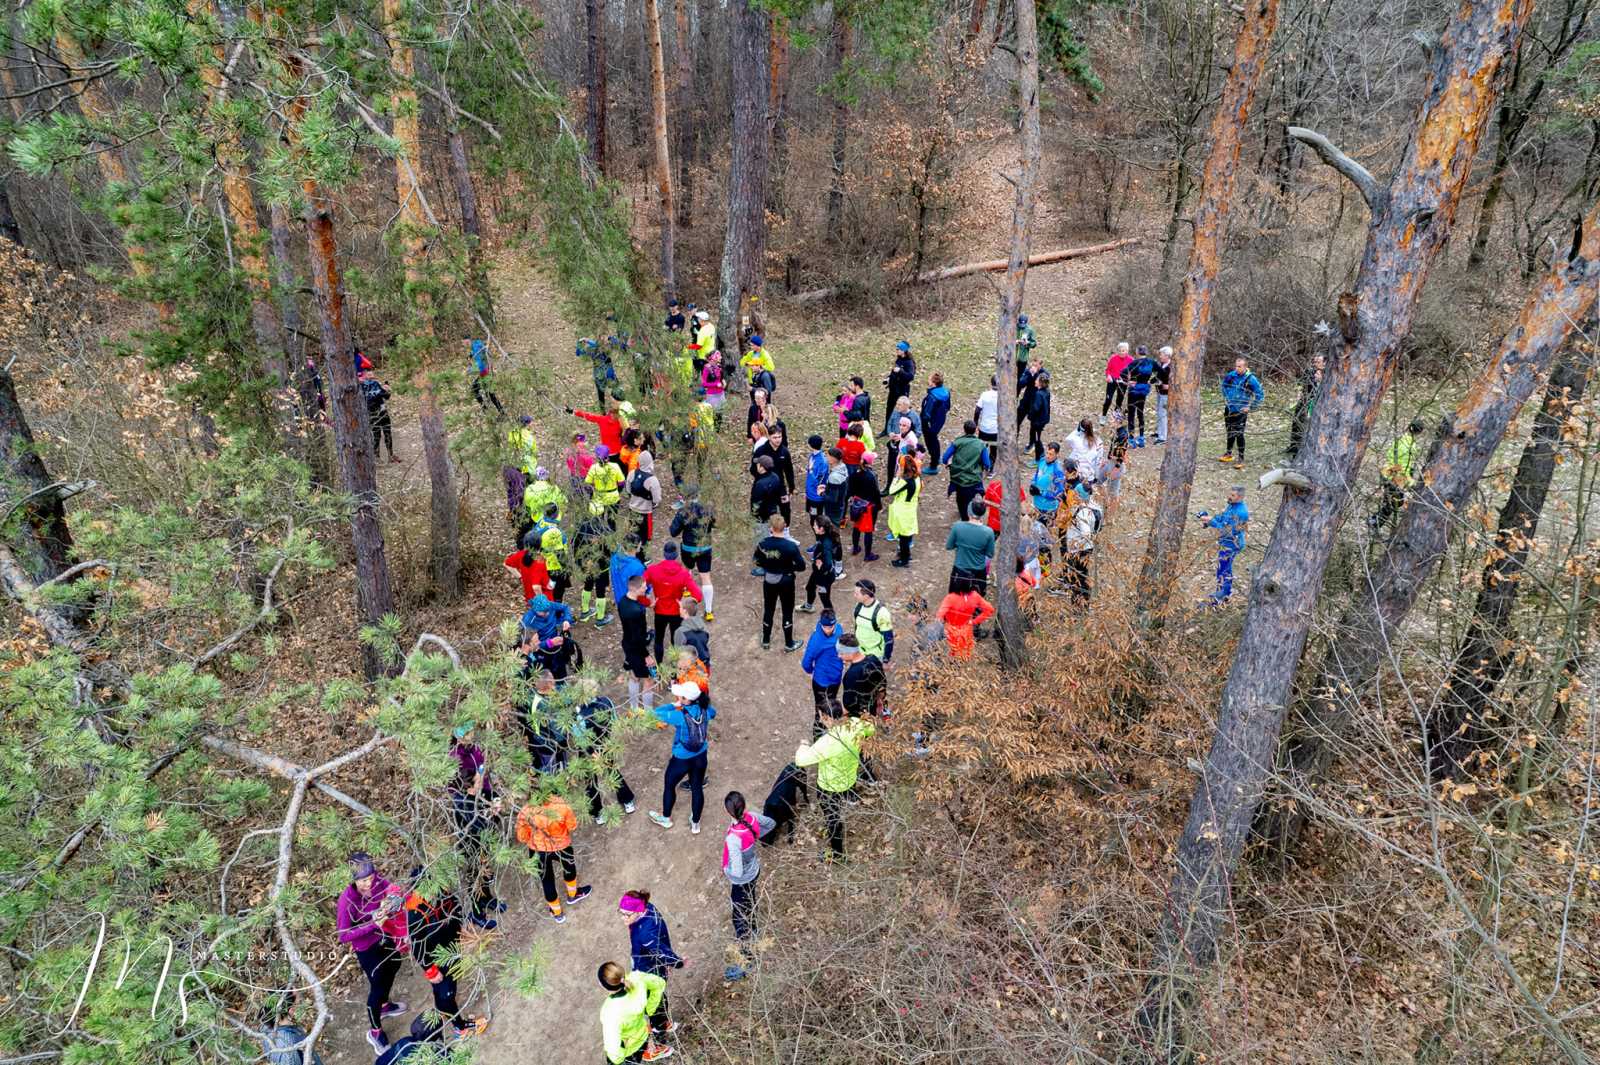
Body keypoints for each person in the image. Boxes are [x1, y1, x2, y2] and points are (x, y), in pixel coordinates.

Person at [337, 853, 409, 1052]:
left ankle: (385, 1005)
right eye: (362, 881)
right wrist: (372, 924)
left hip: (383, 936)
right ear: (354, 880)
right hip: (366, 947)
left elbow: (391, 888)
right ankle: (375, 1031)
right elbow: (343, 935)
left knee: (395, 963)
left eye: (370, 878)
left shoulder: (377, 882)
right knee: (377, 986)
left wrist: (393, 899)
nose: (368, 884)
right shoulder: (347, 900)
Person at [404, 879, 490, 1038]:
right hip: (438, 959)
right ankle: (460, 1027)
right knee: (447, 993)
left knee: (445, 991)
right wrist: (430, 970)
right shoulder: (416, 912)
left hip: (452, 947)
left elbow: (456, 908)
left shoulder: (442, 892)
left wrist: (461, 930)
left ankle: (443, 1010)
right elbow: (417, 947)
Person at [794, 708, 874, 861]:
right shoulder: (855, 724)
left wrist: (804, 745)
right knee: (836, 812)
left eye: (820, 715)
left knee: (833, 817)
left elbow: (801, 760)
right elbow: (871, 728)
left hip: (829, 787)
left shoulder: (827, 741)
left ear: (825, 717)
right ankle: (832, 829)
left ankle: (837, 854)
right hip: (849, 779)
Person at [720, 791, 775, 981]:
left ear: (728, 812)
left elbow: (736, 872)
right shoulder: (751, 818)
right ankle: (755, 929)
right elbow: (771, 823)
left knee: (740, 920)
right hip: (754, 871)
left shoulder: (733, 838)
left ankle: (747, 962)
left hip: (741, 881)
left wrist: (726, 870)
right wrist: (754, 839)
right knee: (751, 902)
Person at [516, 790, 592, 922]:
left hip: (537, 850)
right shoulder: (561, 804)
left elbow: (522, 837)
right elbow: (572, 826)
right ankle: (573, 894)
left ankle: (557, 913)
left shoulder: (525, 812)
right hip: (561, 845)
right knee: (569, 869)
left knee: (547, 880)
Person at [649, 680, 715, 831]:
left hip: (681, 759)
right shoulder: (705, 710)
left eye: (681, 696)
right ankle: (695, 824)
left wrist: (674, 705)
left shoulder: (679, 716)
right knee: (697, 787)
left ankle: (666, 818)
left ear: (686, 699)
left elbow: (655, 713)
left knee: (669, 785)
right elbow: (713, 713)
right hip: (701, 755)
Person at [571, 680, 637, 823]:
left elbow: (580, 738)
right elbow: (614, 720)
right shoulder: (606, 701)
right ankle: (627, 800)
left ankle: (597, 812)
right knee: (612, 772)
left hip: (588, 751)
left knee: (590, 781)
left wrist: (592, 752)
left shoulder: (578, 713)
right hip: (606, 744)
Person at [619, 891, 683, 1037]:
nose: (623, 918)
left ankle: (658, 1027)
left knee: (655, 996)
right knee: (655, 996)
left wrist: (677, 963)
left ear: (638, 911)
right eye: (621, 913)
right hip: (648, 962)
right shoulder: (648, 908)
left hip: (647, 968)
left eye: (627, 914)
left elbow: (660, 950)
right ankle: (658, 1024)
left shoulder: (644, 933)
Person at [597, 961, 673, 1063]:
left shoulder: (610, 1011)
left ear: (603, 986)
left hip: (628, 1048)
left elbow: (613, 1051)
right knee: (641, 1051)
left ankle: (649, 1052)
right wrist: (650, 1009)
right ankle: (650, 1051)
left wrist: (619, 1059)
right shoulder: (637, 978)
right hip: (643, 1034)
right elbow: (659, 984)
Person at [753, 513, 806, 651]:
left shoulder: (763, 543)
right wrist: (789, 568)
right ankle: (789, 643)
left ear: (771, 528)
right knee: (787, 610)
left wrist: (767, 566)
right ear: (785, 527)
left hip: (769, 580)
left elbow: (757, 561)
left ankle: (766, 640)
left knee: (769, 609)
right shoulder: (790, 546)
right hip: (786, 580)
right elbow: (802, 566)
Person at [643, 542, 703, 662]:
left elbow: (638, 588)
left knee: (659, 639)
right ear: (676, 555)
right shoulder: (683, 574)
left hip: (659, 610)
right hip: (676, 612)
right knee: (675, 641)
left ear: (664, 554)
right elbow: (698, 596)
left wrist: (647, 602)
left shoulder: (652, 570)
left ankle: (660, 669)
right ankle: (674, 671)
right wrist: (685, 606)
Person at [668, 484, 716, 620]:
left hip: (688, 547)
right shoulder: (708, 508)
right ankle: (708, 611)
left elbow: (673, 532)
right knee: (706, 577)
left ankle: (687, 590)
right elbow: (715, 523)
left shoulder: (684, 511)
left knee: (687, 570)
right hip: (705, 547)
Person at [1199, 485, 1249, 604]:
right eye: (1229, 494)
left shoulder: (1241, 513)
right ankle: (1223, 593)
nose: (1229, 497)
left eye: (1232, 495)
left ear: (1240, 497)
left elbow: (1227, 531)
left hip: (1232, 544)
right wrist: (1210, 518)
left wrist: (1211, 522)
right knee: (1223, 568)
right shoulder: (1232, 506)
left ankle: (1220, 597)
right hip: (1226, 543)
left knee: (1224, 570)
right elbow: (1223, 519)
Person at [1372, 418, 1424, 531]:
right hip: (1395, 478)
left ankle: (1375, 523)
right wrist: (1411, 482)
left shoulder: (1399, 439)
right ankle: (1374, 522)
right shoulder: (1411, 446)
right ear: (1419, 432)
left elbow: (1389, 454)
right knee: (1396, 503)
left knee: (1389, 501)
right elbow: (1405, 467)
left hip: (1386, 473)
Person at [800, 609, 844, 731]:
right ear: (821, 624)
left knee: (832, 708)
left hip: (836, 678)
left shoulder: (839, 630)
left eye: (831, 626)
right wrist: (812, 671)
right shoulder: (816, 640)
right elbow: (806, 662)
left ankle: (830, 733)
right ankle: (818, 738)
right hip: (821, 682)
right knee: (820, 713)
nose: (829, 629)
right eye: (825, 627)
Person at [617, 574, 656, 710]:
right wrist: (646, 655)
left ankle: (634, 708)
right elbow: (637, 637)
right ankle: (649, 714)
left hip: (627, 644)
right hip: (636, 647)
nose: (646, 589)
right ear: (635, 589)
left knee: (634, 675)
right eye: (644, 587)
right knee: (648, 680)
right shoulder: (636, 611)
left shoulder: (623, 601)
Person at [1060, 483, 1102, 604]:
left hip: (1079, 550)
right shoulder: (1095, 505)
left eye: (1076, 494)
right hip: (1087, 548)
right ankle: (1083, 600)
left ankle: (1079, 603)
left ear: (1080, 495)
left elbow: (1086, 533)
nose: (1074, 495)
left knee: (1077, 577)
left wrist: (1076, 539)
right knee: (1083, 574)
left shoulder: (1082, 512)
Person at [941, 421, 991, 520]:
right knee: (972, 497)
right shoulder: (981, 444)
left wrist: (947, 464)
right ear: (976, 430)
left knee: (960, 498)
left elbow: (945, 457)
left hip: (958, 478)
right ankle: (971, 514)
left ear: (964, 430)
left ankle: (963, 516)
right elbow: (987, 463)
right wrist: (985, 469)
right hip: (974, 479)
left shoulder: (957, 442)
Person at [1219, 357, 1265, 464]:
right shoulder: (1231, 375)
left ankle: (1241, 458)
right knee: (1230, 431)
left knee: (1239, 433)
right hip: (1229, 409)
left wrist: (1250, 407)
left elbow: (1260, 395)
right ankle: (1229, 453)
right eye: (1236, 366)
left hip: (1241, 411)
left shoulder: (1251, 379)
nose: (1237, 368)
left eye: (1239, 366)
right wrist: (1226, 397)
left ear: (1245, 367)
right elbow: (1224, 386)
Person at [946, 501, 996, 596]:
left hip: (959, 570)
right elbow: (990, 554)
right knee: (977, 603)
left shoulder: (958, 526)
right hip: (978, 573)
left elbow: (949, 546)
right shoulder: (989, 532)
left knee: (955, 599)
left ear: (969, 512)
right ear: (982, 514)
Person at [573, 511, 614, 627]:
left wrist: (580, 563)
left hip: (585, 564)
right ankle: (600, 619)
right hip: (600, 566)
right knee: (600, 591)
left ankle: (585, 612)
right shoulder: (602, 530)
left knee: (588, 585)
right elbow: (609, 549)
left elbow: (574, 547)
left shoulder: (580, 528)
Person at [750, 425, 795, 525]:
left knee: (786, 508)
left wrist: (792, 486)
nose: (778, 440)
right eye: (775, 437)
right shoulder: (761, 451)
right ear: (769, 437)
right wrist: (761, 477)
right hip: (765, 485)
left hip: (780, 484)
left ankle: (785, 530)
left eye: (780, 437)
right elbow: (753, 469)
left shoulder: (784, 451)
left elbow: (789, 470)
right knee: (765, 509)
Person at [935, 586, 995, 660]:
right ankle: (963, 664)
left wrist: (941, 623)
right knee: (965, 653)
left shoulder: (951, 598)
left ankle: (954, 665)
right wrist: (974, 622)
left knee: (952, 653)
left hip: (952, 630)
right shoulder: (974, 596)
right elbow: (990, 609)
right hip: (967, 629)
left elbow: (939, 616)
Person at [848, 580, 894, 671]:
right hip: (859, 651)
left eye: (857, 593)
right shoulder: (859, 606)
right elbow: (857, 625)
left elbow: (889, 639)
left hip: (875, 654)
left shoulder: (882, 613)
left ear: (866, 596)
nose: (854, 595)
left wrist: (885, 661)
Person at [884, 454, 921, 568]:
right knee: (907, 533)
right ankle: (906, 554)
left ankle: (904, 560)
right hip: (911, 507)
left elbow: (891, 491)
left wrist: (896, 477)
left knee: (903, 536)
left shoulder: (905, 481)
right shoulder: (917, 477)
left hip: (902, 510)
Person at [801, 515, 842, 613]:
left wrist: (821, 566)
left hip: (824, 577)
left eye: (815, 525)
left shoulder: (825, 544)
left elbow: (827, 563)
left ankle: (831, 620)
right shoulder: (827, 535)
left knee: (824, 598)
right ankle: (808, 606)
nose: (813, 526)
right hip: (818, 573)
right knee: (810, 587)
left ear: (821, 528)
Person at [845, 457, 882, 562]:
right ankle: (868, 554)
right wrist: (878, 506)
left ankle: (855, 548)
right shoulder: (871, 476)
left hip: (857, 504)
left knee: (856, 527)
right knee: (868, 531)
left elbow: (850, 491)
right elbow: (876, 493)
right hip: (868, 507)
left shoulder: (854, 474)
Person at [1288, 353, 1324, 459]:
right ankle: (1293, 446)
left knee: (1306, 426)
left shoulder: (1327, 375)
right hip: (1304, 400)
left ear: (1324, 363)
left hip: (1314, 403)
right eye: (1315, 361)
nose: (1316, 364)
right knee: (1296, 422)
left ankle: (1300, 451)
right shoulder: (1309, 371)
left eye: (1318, 362)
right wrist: (1299, 393)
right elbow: (1300, 383)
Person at [358, 370, 399, 463]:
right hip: (372, 413)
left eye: (372, 373)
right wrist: (380, 393)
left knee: (387, 433)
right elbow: (369, 399)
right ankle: (376, 457)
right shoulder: (361, 386)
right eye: (368, 374)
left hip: (382, 411)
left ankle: (391, 455)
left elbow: (387, 396)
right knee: (376, 435)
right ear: (364, 375)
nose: (372, 375)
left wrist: (387, 389)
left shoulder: (376, 383)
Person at [1122, 345, 1158, 446]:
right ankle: (1141, 438)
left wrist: (1128, 382)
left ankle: (1132, 439)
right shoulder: (1151, 363)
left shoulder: (1134, 363)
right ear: (1146, 352)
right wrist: (1151, 381)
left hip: (1133, 391)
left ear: (1137, 352)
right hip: (1143, 390)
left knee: (1131, 414)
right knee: (1140, 413)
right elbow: (1161, 373)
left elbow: (1123, 373)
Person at [626, 451, 664, 544]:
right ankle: (644, 558)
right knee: (646, 539)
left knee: (633, 535)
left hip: (632, 510)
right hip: (645, 512)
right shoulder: (652, 480)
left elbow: (628, 490)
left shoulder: (632, 473)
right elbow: (657, 499)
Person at [1029, 443, 1068, 526]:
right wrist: (1032, 484)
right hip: (1036, 504)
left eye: (1051, 454)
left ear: (1057, 454)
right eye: (1047, 452)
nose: (1047, 456)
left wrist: (1041, 492)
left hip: (1048, 508)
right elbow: (1036, 475)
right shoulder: (1042, 460)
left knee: (1044, 534)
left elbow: (1059, 494)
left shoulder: (1058, 470)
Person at [919, 372, 950, 476]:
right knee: (934, 439)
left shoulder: (932, 397)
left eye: (929, 379)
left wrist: (924, 422)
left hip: (930, 424)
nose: (928, 380)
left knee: (931, 441)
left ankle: (933, 465)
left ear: (933, 383)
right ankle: (937, 457)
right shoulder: (946, 392)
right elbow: (948, 406)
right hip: (939, 420)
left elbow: (926, 414)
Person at [883, 340, 917, 433]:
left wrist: (900, 371)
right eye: (896, 349)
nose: (896, 351)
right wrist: (889, 378)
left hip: (902, 391)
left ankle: (906, 430)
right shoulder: (898, 359)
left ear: (904, 350)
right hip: (893, 389)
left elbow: (910, 377)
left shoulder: (909, 363)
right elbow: (894, 371)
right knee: (889, 409)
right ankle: (886, 429)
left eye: (898, 349)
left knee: (903, 411)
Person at [587, 445, 626, 522]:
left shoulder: (593, 468)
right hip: (613, 496)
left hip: (599, 496)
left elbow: (589, 482)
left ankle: (601, 530)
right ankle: (612, 530)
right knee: (612, 518)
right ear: (608, 455)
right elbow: (621, 482)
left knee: (599, 518)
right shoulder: (615, 466)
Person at [577, 337, 619, 407]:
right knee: (601, 395)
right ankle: (603, 413)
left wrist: (610, 338)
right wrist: (579, 343)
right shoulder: (592, 348)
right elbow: (578, 353)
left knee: (616, 391)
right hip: (600, 375)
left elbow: (617, 342)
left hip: (608, 374)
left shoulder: (607, 345)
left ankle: (617, 406)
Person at [673, 598, 711, 669]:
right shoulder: (703, 626)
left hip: (690, 671)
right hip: (705, 666)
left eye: (680, 607)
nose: (679, 609)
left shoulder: (680, 632)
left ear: (685, 611)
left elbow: (677, 654)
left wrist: (674, 676)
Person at [1023, 370, 1052, 461]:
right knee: (1037, 437)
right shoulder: (1046, 392)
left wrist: (1030, 415)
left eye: (1036, 380)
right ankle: (1042, 453)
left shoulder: (1038, 394)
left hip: (1037, 422)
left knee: (1036, 439)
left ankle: (1038, 459)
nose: (1035, 381)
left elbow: (1036, 408)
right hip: (1042, 420)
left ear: (1040, 383)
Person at [1064, 418, 1103, 484]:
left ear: (1080, 427)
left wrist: (1077, 429)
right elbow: (1098, 462)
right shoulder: (1099, 442)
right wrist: (1096, 475)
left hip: (1075, 474)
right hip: (1089, 476)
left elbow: (1068, 439)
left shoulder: (1076, 440)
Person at [1102, 342, 1133, 422]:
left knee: (1119, 400)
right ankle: (1103, 416)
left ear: (1127, 351)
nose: (1121, 352)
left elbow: (1133, 372)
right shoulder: (1113, 358)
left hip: (1123, 382)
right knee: (1108, 400)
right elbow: (1108, 370)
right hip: (1112, 381)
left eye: (1123, 351)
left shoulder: (1131, 360)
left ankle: (1115, 417)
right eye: (1119, 350)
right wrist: (1108, 376)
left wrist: (1131, 379)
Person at [823, 447, 850, 525]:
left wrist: (822, 493)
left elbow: (832, 499)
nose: (826, 457)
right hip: (841, 504)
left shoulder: (834, 477)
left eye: (827, 455)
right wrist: (827, 488)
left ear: (833, 459)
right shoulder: (843, 467)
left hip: (833, 509)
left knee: (832, 529)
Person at [1153, 345, 1174, 444]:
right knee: (1159, 412)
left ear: (1167, 355)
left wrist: (1169, 386)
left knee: (1163, 414)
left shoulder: (1171, 368)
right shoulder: (1161, 365)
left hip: (1166, 394)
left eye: (1161, 354)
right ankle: (1159, 432)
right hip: (1159, 392)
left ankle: (1163, 437)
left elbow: (1175, 382)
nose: (1160, 356)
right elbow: (1157, 377)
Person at [974, 375, 1000, 444]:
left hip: (984, 428)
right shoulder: (1002, 397)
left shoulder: (984, 394)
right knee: (994, 451)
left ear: (991, 383)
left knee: (982, 449)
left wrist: (975, 424)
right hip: (996, 430)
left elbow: (977, 411)